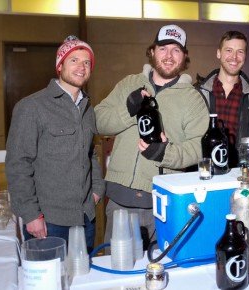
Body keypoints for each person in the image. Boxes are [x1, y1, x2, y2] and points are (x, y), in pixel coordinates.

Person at [94, 24, 209, 251]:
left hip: (164, 203)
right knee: (120, 274)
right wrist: (128, 109)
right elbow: (98, 121)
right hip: (119, 203)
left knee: (163, 272)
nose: (168, 56)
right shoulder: (129, 83)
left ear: (184, 57)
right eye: (163, 48)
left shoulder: (193, 98)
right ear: (152, 51)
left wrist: (166, 154)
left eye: (176, 50)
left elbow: (199, 147)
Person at [5, 35, 105, 253]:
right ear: (60, 65)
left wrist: (97, 189)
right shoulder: (32, 107)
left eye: (86, 62)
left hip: (84, 217)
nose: (82, 67)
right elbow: (18, 164)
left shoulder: (88, 108)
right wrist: (31, 214)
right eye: (74, 60)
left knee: (82, 282)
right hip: (48, 221)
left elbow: (90, 154)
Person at [196, 31, 249, 167]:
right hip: (205, 171)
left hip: (240, 173)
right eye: (229, 50)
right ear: (218, 53)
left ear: (245, 56)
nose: (234, 57)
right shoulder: (197, 92)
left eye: (240, 51)